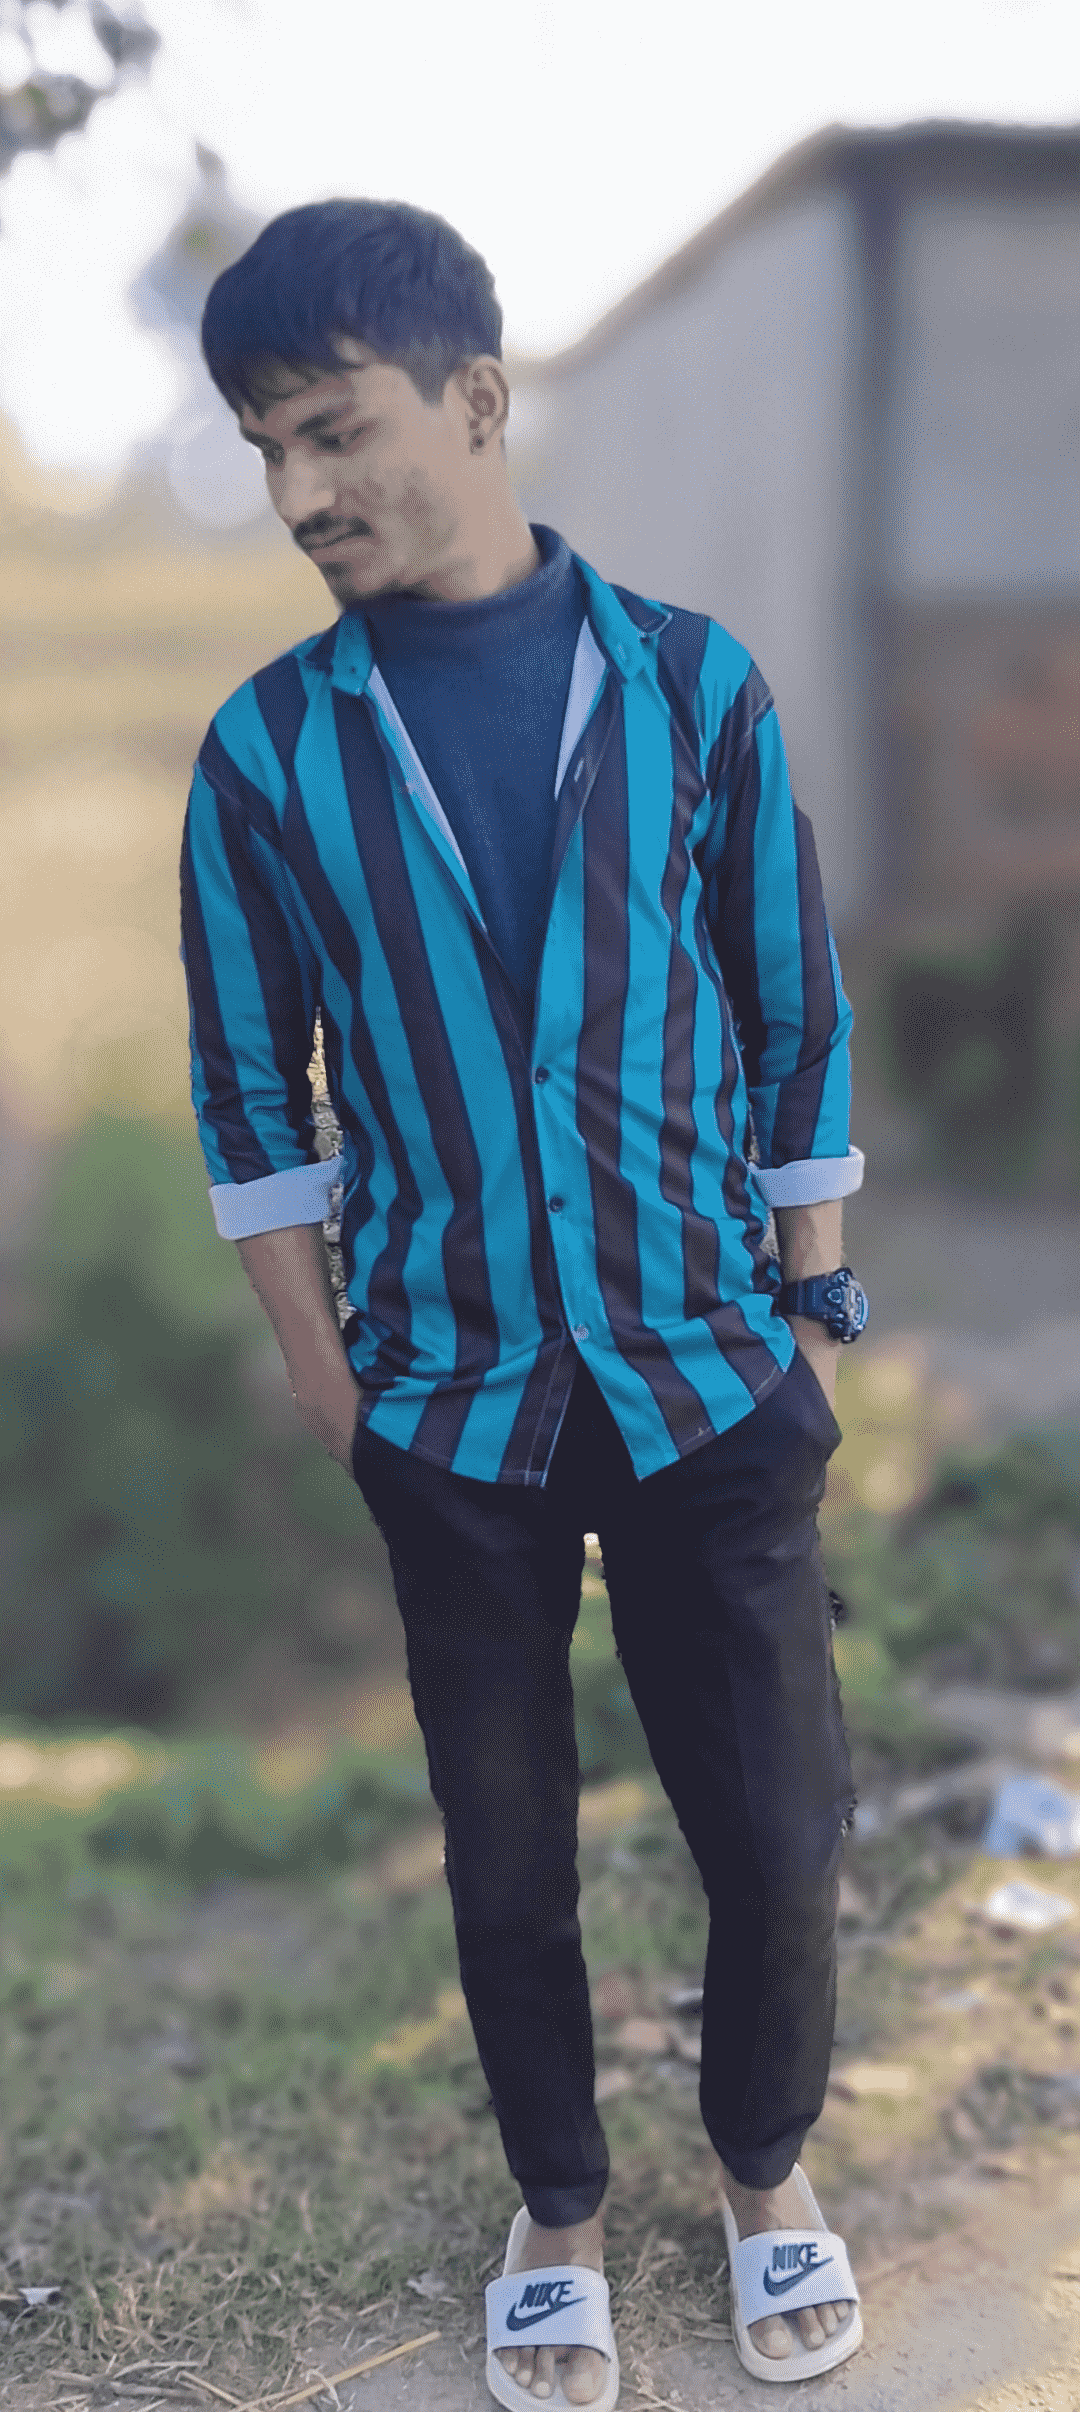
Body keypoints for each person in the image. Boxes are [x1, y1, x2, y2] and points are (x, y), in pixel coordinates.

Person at [181, 198, 870, 2403]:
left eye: (333, 430)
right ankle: (556, 2205)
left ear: (473, 401)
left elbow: (791, 1008)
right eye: (268, 451)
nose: (300, 491)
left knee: (779, 1833)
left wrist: (811, 1311)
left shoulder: (691, 686)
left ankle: (761, 2169)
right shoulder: (270, 753)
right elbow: (248, 1090)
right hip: (449, 1405)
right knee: (504, 1859)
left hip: (709, 1374)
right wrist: (331, 1384)